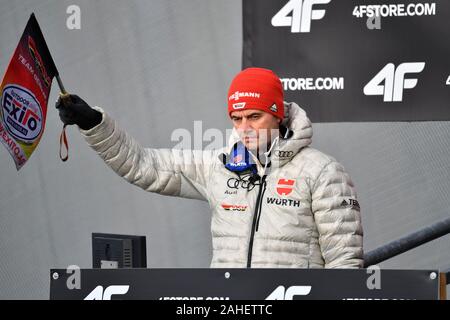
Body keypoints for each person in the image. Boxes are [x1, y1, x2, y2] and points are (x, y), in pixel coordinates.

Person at [56, 67, 363, 268]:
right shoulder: (219, 166)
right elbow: (143, 165)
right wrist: (93, 124)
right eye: (237, 118)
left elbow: (345, 264)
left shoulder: (323, 172)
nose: (245, 128)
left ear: (278, 114)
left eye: (255, 117)